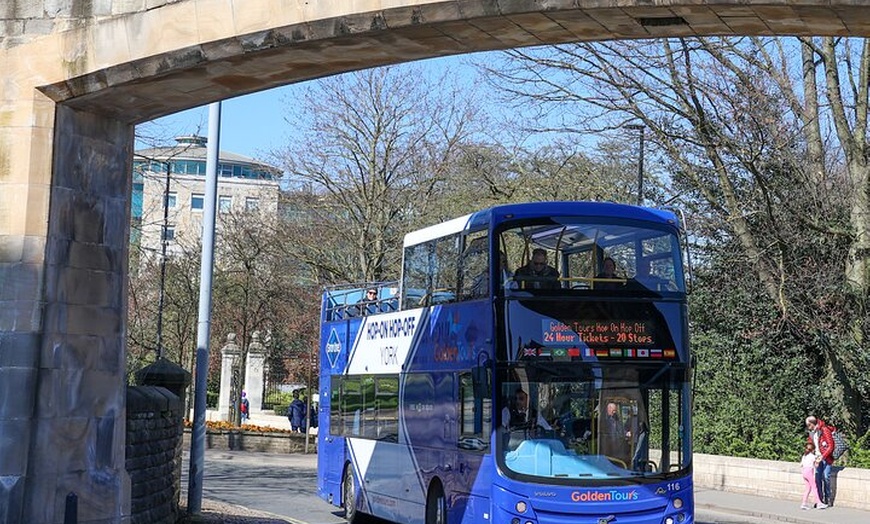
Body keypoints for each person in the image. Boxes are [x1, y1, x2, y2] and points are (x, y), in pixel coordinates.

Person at [806, 415, 834, 506]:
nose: (808, 427)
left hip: (826, 458)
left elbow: (831, 446)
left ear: (812, 424)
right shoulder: (812, 433)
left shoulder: (824, 430)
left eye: (808, 425)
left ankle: (828, 499)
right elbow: (810, 445)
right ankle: (819, 500)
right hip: (817, 458)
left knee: (826, 477)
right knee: (817, 479)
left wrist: (822, 457)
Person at [600, 402, 631, 466]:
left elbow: (621, 430)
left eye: (615, 411)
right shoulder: (603, 420)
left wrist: (626, 433)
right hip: (607, 448)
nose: (614, 412)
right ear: (608, 409)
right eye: (613, 410)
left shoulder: (616, 419)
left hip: (617, 447)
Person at [800, 441, 825, 510]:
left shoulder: (804, 456)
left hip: (804, 472)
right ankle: (819, 503)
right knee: (814, 487)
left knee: (808, 489)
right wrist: (819, 460)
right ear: (813, 450)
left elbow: (801, 464)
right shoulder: (812, 456)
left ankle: (804, 503)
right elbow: (816, 465)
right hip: (809, 472)